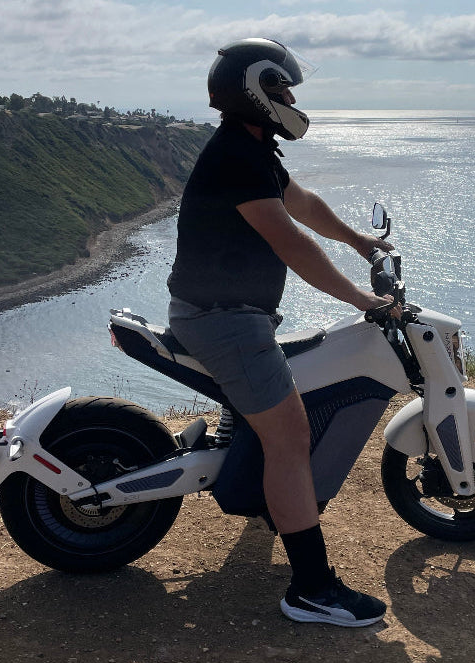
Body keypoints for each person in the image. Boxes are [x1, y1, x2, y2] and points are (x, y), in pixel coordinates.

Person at [167, 37, 400, 627]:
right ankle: (312, 590)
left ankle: (261, 490)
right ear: (255, 92)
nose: (291, 98)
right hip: (223, 320)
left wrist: (359, 240)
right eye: (282, 89)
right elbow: (292, 243)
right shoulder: (236, 158)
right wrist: (364, 300)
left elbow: (303, 204)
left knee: (279, 420)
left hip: (234, 313)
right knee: (291, 438)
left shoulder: (253, 150)